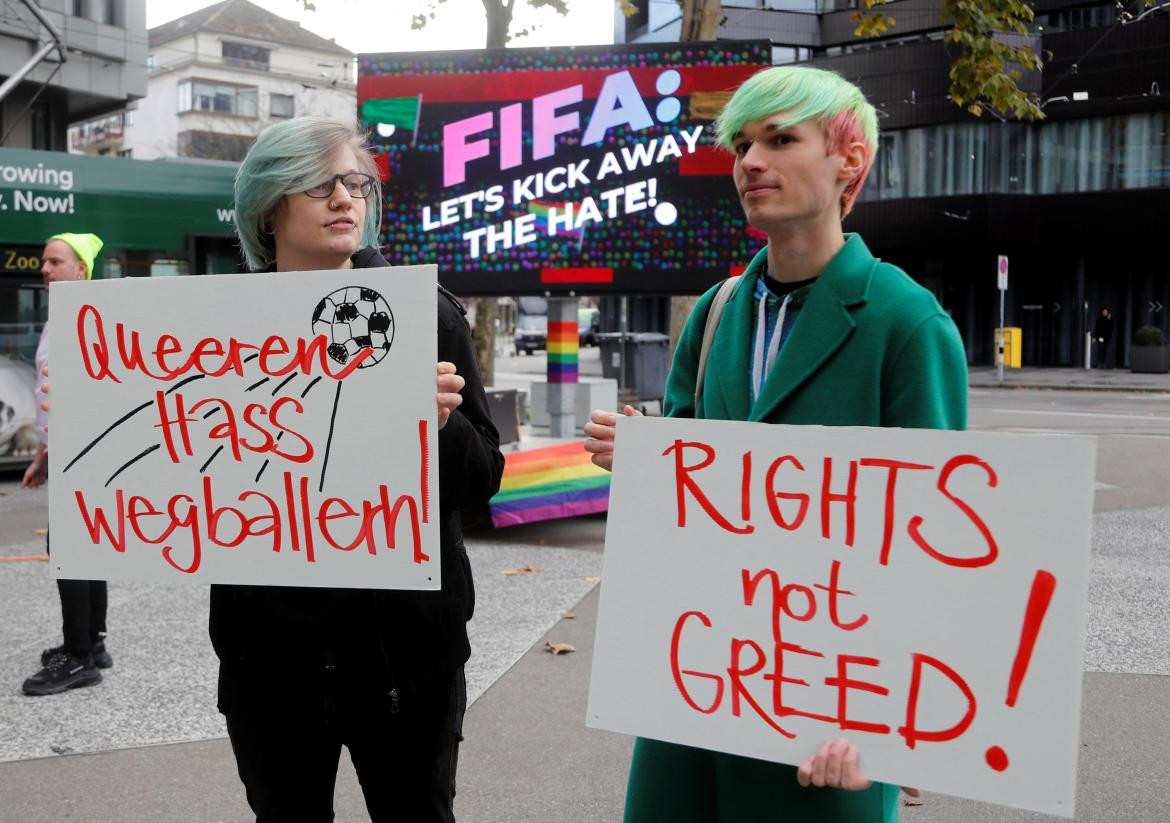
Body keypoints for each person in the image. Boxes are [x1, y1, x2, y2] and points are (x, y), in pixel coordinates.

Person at [584, 65, 966, 822]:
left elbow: (935, 548)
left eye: (781, 139)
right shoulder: (719, 311)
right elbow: (686, 522)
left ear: (847, 161)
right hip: (696, 695)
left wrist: (885, 730)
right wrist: (650, 467)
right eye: (742, 144)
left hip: (828, 720)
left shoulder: (906, 321)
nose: (750, 161)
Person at [212, 117, 503, 822]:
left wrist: (441, 424)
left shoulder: (425, 315)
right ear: (267, 207)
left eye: (355, 182)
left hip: (404, 653)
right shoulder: (215, 327)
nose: (345, 197)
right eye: (319, 184)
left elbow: (483, 478)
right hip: (269, 656)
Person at [21, 232, 113, 697]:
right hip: (67, 450)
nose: (45, 268)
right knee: (85, 545)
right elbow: (53, 396)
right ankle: (92, 644)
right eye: (43, 260)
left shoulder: (85, 320)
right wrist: (42, 454)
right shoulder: (62, 317)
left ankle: (78, 657)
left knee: (72, 548)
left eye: (55, 261)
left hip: (84, 453)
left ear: (81, 270)